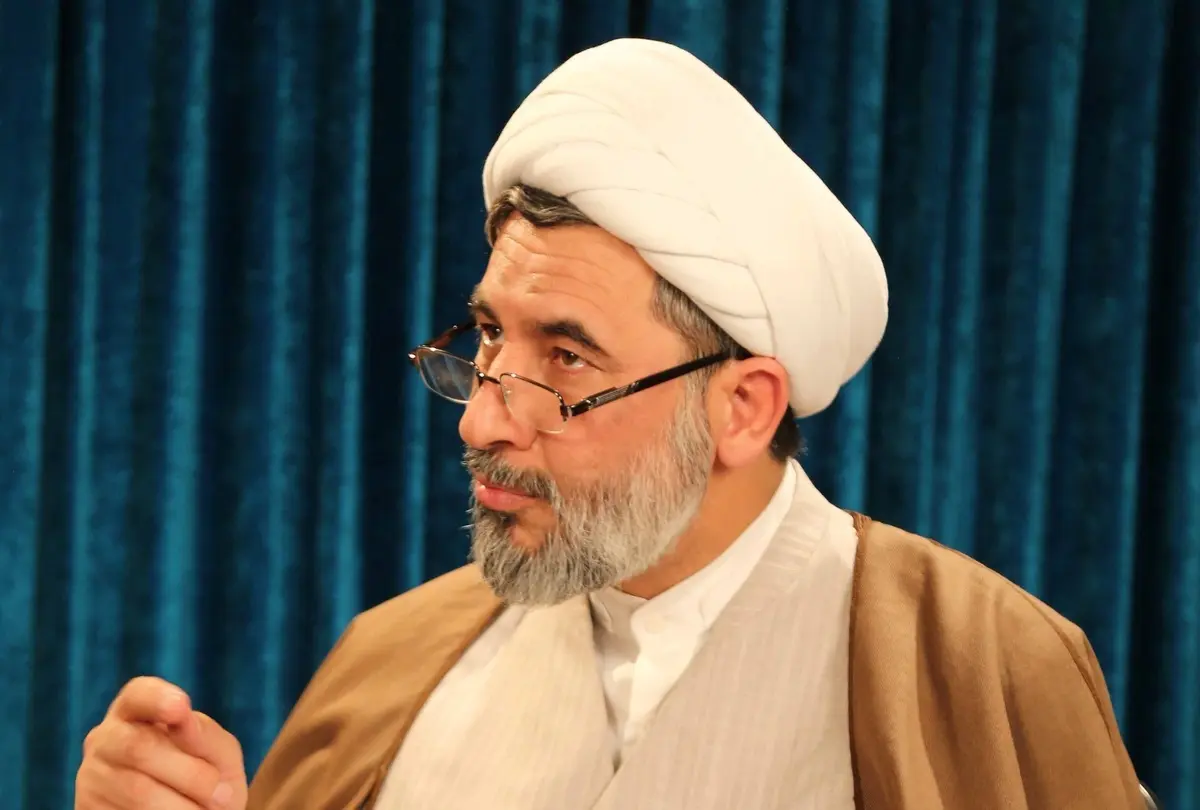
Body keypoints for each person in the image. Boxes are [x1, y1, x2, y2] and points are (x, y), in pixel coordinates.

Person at [74, 37, 1146, 810]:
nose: (483, 421)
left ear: (743, 407)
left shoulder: (980, 670)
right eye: (489, 337)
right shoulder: (390, 663)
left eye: (567, 360)